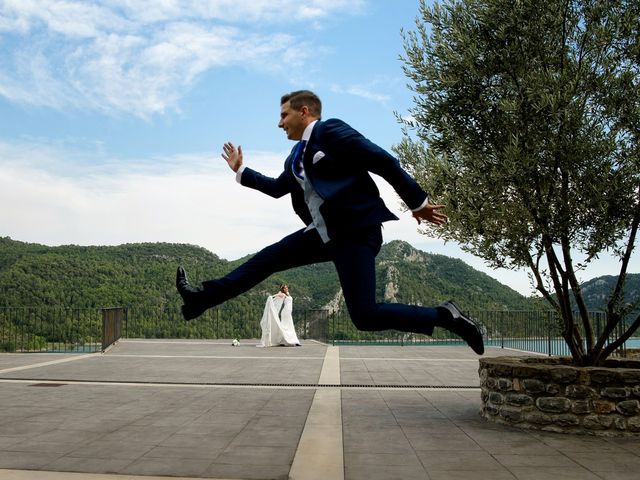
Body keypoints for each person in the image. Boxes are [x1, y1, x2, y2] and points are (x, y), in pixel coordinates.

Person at [176, 90, 484, 355]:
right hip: (323, 234)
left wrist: (417, 202)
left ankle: (445, 317)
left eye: (284, 115)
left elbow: (384, 161)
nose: (279, 122)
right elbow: (276, 188)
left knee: (364, 316)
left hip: (355, 231)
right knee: (266, 259)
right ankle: (200, 299)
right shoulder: (295, 157)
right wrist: (241, 171)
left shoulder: (331, 132)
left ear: (304, 111)